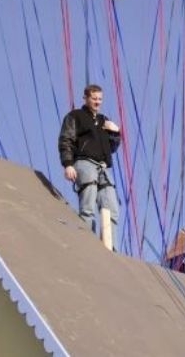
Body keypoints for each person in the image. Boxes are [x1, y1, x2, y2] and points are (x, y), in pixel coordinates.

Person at [58, 84, 121, 250]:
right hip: (85, 163)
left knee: (112, 208)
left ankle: (110, 247)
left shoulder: (103, 121)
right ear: (85, 98)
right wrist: (68, 164)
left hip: (103, 167)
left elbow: (111, 148)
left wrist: (115, 133)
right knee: (88, 206)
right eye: (94, 99)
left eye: (100, 99)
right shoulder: (75, 116)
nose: (97, 102)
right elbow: (66, 139)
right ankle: (87, 245)